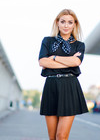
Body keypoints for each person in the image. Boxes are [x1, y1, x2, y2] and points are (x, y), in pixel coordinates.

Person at [38, 9, 88, 140]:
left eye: (70, 22)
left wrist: (53, 57)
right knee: (52, 137)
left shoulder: (79, 45)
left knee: (61, 136)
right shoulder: (47, 41)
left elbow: (76, 62)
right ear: (57, 23)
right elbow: (42, 61)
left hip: (69, 86)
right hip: (51, 86)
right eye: (63, 21)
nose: (66, 25)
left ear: (74, 25)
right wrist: (68, 62)